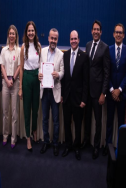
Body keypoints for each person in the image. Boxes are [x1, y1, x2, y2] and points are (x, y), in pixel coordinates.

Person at [81, 20, 110, 160]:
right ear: (91, 31)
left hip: (98, 93)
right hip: (87, 91)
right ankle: (86, 141)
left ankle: (96, 146)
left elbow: (106, 73)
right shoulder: (87, 44)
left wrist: (103, 93)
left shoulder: (105, 48)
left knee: (98, 121)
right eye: (94, 29)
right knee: (87, 119)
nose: (96, 31)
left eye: (98, 29)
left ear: (101, 32)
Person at [102, 23, 126, 156]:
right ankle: (108, 147)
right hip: (110, 93)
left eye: (121, 32)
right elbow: (106, 72)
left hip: (122, 94)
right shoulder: (108, 50)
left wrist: (119, 89)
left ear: (123, 35)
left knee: (121, 123)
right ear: (113, 34)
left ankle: (120, 148)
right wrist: (111, 90)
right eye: (116, 32)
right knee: (109, 123)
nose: (118, 34)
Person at [61, 30, 89, 160]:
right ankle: (68, 146)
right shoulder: (65, 55)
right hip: (66, 97)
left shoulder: (84, 56)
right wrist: (61, 95)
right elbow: (64, 78)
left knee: (78, 124)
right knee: (67, 123)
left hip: (78, 99)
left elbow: (85, 81)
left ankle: (76, 147)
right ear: (69, 40)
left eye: (75, 39)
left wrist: (84, 99)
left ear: (79, 40)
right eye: (71, 39)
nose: (73, 41)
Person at [38, 28, 64, 156]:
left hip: (55, 91)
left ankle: (55, 144)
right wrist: (39, 75)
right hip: (44, 90)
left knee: (55, 120)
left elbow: (63, 72)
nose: (53, 40)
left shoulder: (61, 54)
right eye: (51, 38)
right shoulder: (42, 52)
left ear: (57, 39)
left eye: (55, 38)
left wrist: (58, 74)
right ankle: (46, 142)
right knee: (44, 119)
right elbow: (39, 68)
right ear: (48, 38)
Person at [18, 21, 41, 152]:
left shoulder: (38, 46)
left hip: (36, 78)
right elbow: (21, 68)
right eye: (29, 31)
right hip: (26, 78)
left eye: (32, 30)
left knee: (35, 108)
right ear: (26, 33)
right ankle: (28, 137)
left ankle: (34, 130)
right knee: (27, 109)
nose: (31, 33)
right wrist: (20, 87)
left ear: (35, 32)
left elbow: (41, 64)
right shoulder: (23, 47)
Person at [0, 25, 20, 149]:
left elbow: (19, 66)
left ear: (16, 36)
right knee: (5, 112)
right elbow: (2, 66)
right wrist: (7, 80)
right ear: (8, 35)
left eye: (14, 34)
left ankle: (14, 138)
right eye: (10, 33)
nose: (12, 35)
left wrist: (12, 79)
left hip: (15, 82)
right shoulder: (4, 50)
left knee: (14, 113)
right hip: (5, 83)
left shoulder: (19, 50)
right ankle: (5, 136)